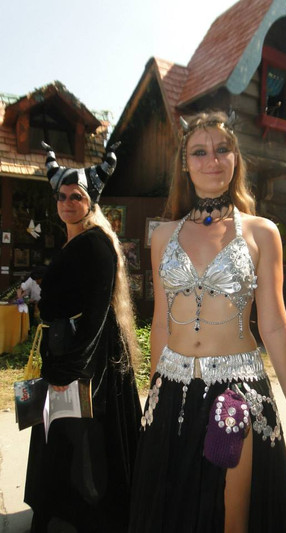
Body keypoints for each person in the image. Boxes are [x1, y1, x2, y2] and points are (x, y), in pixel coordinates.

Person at [129, 111, 286, 532]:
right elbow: (160, 323)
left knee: (232, 519)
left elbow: (274, 324)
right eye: (199, 152)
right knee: (173, 513)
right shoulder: (162, 236)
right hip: (171, 391)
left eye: (222, 149)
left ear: (236, 158)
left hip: (237, 391)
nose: (212, 160)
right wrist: (153, 394)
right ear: (185, 163)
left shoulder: (262, 232)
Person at [24, 142, 142, 532]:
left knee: (83, 441)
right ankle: (64, 510)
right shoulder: (76, 241)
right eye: (62, 196)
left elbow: (94, 315)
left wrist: (68, 370)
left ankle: (83, 516)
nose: (67, 203)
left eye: (76, 196)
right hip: (67, 352)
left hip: (86, 361)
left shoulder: (95, 244)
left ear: (91, 202)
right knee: (62, 435)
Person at [17, 266, 47, 332]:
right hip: (36, 307)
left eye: (37, 280)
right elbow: (21, 289)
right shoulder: (31, 280)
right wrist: (20, 297)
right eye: (35, 280)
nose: (36, 282)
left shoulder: (50, 285)